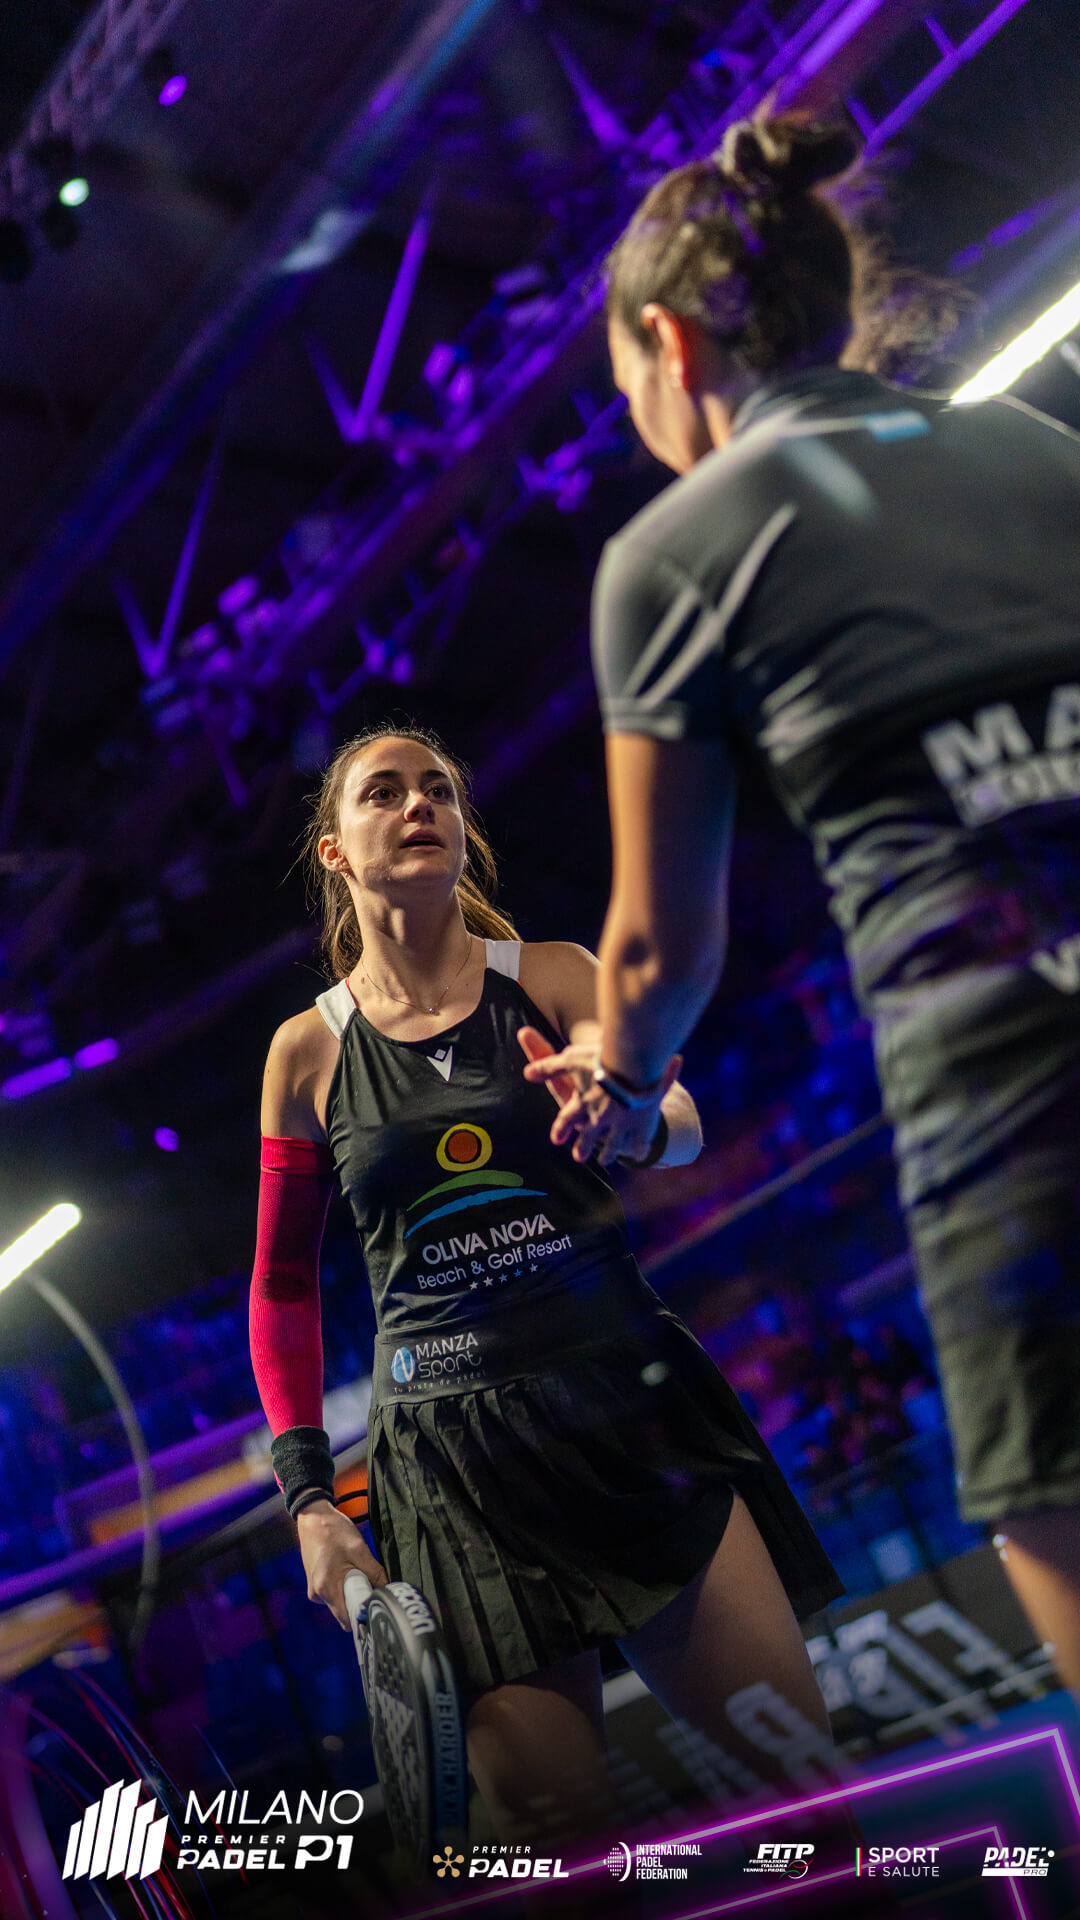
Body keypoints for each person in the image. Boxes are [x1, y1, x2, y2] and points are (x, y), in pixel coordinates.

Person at [524, 111, 1080, 1694]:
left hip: (1011, 1085)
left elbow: (658, 946)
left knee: (1053, 1508)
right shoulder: (1036, 445)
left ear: (668, 341)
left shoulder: (673, 548)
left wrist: (624, 1083)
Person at [248, 722, 842, 1849]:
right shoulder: (305, 1054)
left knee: (810, 1815)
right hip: (456, 1476)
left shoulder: (555, 976)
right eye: (385, 792)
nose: (419, 805)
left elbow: (679, 1117)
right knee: (565, 1867)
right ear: (333, 850)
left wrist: (632, 1112)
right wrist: (310, 1499)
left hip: (633, 1419)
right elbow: (281, 1290)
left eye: (439, 789)